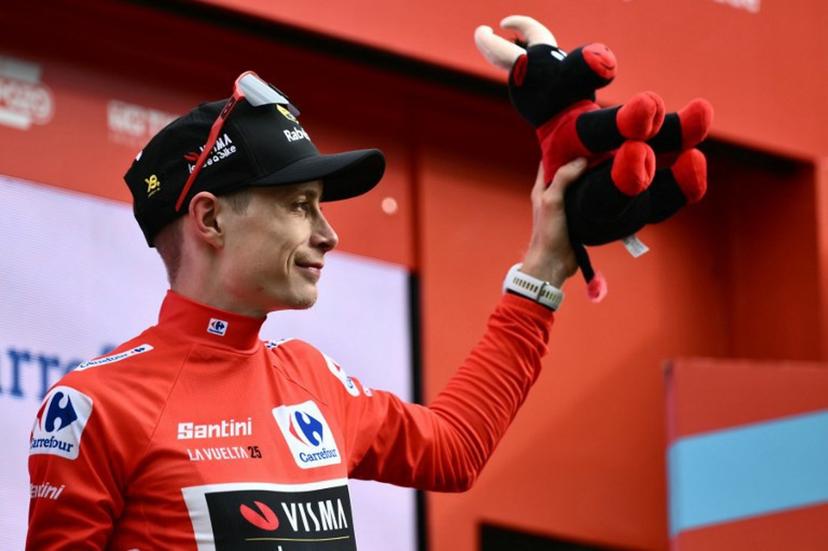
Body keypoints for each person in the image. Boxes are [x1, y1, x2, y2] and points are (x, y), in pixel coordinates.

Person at [26, 71, 586, 549]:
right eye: (300, 206)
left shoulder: (312, 378)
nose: (328, 234)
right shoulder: (96, 407)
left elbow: (455, 448)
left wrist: (545, 267)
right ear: (211, 219)